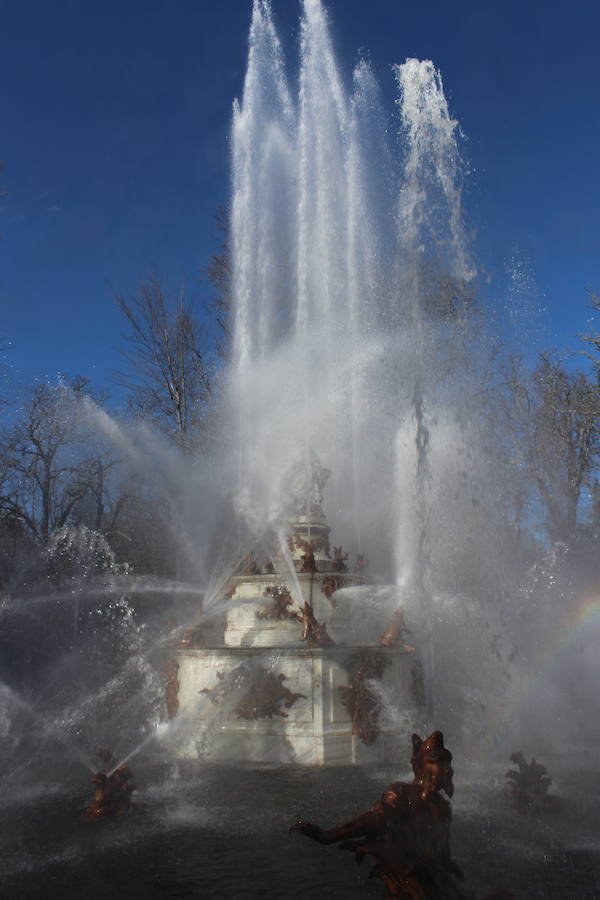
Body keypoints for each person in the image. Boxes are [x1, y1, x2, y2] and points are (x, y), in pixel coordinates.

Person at [291, 731, 514, 900]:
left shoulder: (444, 807)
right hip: (408, 878)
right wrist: (329, 836)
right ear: (423, 767)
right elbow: (375, 819)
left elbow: (443, 848)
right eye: (439, 763)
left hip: (435, 875)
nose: (447, 770)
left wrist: (449, 865)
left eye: (447, 764)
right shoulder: (401, 793)